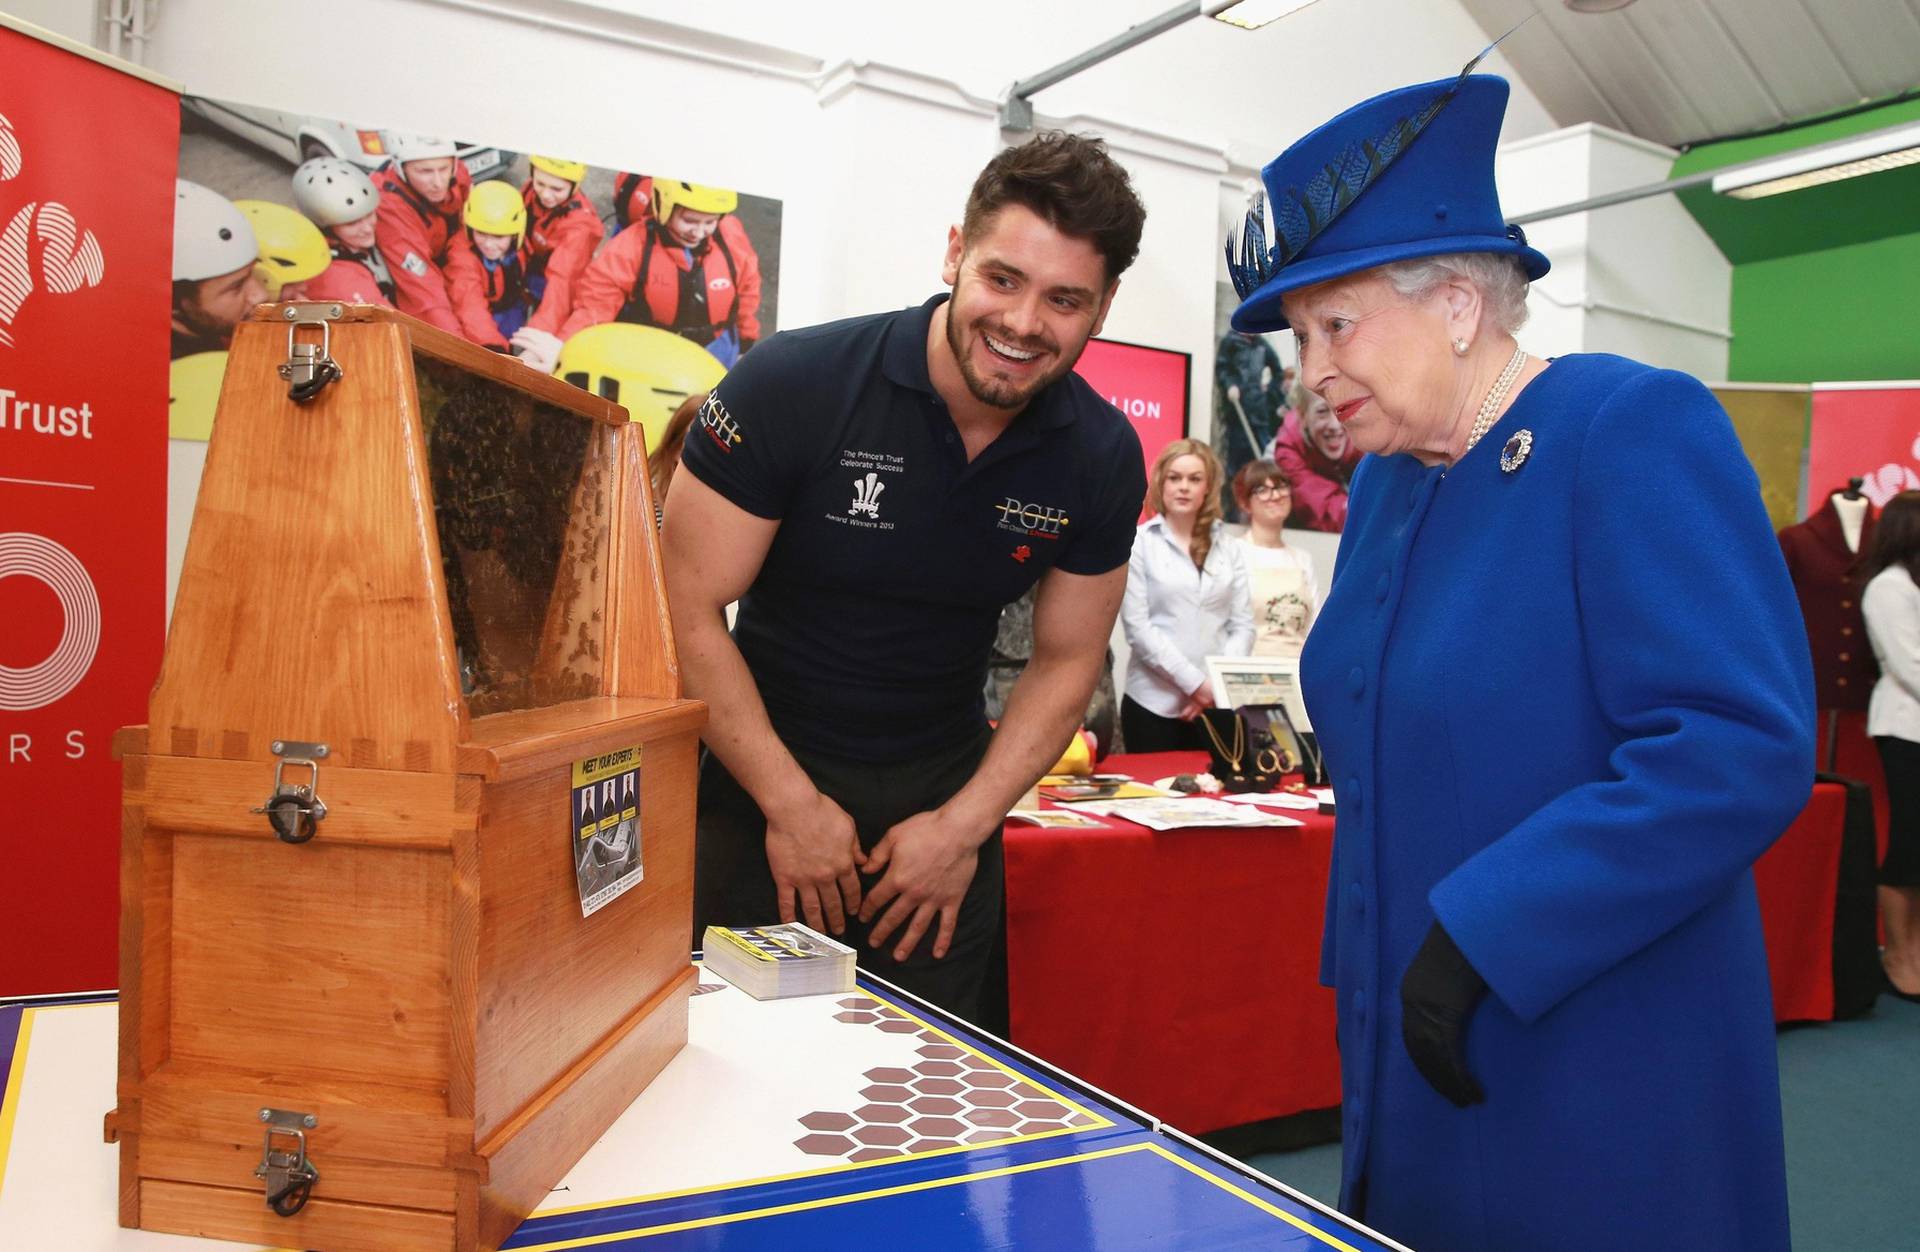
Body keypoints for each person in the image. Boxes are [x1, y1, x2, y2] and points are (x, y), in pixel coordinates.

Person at [1226, 73, 1812, 1252]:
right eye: (1301, 337)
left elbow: (1737, 743)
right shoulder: (1393, 479)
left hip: (1589, 1031)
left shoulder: (1625, 428)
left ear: (1454, 304)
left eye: (1334, 325)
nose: (1312, 368)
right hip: (1420, 1025)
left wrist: (1487, 927)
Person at [662, 131, 1148, 1022]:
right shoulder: (793, 384)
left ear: (1104, 305)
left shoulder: (1102, 455)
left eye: (1065, 300)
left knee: (929, 1099)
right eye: (1003, 279)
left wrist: (964, 828)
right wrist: (788, 802)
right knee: (734, 1084)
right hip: (757, 782)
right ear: (956, 253)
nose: (1024, 324)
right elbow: (684, 606)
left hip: (943, 817)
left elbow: (1068, 661)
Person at [1119, 439, 1252, 752]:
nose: (1183, 487)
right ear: (1161, 483)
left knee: (1219, 799)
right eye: (1174, 478)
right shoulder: (1139, 543)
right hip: (1152, 706)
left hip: (1218, 706)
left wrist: (1215, 688)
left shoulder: (1229, 546)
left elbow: (1243, 625)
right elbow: (1138, 628)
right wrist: (1197, 685)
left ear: (1207, 487)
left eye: (1194, 479)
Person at [561, 179, 763, 367]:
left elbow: (748, 289)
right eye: (690, 221)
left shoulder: (731, 237)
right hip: (651, 353)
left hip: (717, 349)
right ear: (664, 207)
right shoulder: (629, 247)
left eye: (710, 222)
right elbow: (594, 305)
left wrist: (747, 338)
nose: (699, 232)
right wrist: (565, 348)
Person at [1860, 490, 1920, 1001]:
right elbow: (1910, 665)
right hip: (1905, 728)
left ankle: (1916, 953)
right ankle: (1898, 956)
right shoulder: (1887, 587)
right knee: (1909, 842)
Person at [371, 133, 486, 341]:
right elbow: (423, 292)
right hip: (416, 268)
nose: (438, 182)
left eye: (443, 169)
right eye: (424, 172)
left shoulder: (456, 172)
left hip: (448, 250)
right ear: (401, 168)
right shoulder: (390, 206)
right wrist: (459, 349)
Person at [517, 155, 605, 358]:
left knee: (540, 328)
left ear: (574, 187)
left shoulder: (581, 227)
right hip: (529, 269)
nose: (546, 195)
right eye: (540, 183)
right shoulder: (530, 192)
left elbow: (562, 282)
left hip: (553, 281)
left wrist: (537, 335)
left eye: (557, 189)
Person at [170, 180, 265, 359]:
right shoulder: (177, 377)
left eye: (253, 273)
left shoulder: (203, 331)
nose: (260, 294)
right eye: (236, 287)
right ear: (173, 303)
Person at [1231, 458, 1316, 657]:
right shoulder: (1234, 552)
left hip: (1296, 671)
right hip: (1249, 670)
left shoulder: (1302, 559)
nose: (1275, 496)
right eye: (1262, 490)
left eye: (1280, 486)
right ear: (1245, 503)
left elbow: (1315, 622)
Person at [291, 157, 397, 307]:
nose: (367, 228)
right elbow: (389, 322)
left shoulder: (350, 242)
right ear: (327, 227)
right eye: (352, 223)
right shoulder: (338, 279)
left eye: (369, 214)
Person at [445, 179, 531, 349]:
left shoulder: (519, 245)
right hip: (488, 316)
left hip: (513, 305)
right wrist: (493, 347)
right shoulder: (461, 257)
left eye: (498, 237)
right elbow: (469, 305)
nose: (489, 244)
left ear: (515, 235)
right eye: (482, 234)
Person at [1269, 380, 1359, 531]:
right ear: (1303, 417)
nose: (1335, 425)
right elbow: (1323, 509)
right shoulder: (1287, 452)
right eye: (1322, 412)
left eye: (1342, 409)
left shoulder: (1359, 432)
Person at [1213, 329, 1284, 516]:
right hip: (1237, 413)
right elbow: (1222, 368)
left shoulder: (1261, 344)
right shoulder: (1231, 341)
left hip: (1258, 413)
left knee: (1261, 459)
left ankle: (1259, 508)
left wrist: (1269, 394)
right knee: (1236, 465)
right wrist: (1230, 385)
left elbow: (1277, 370)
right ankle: (1233, 512)